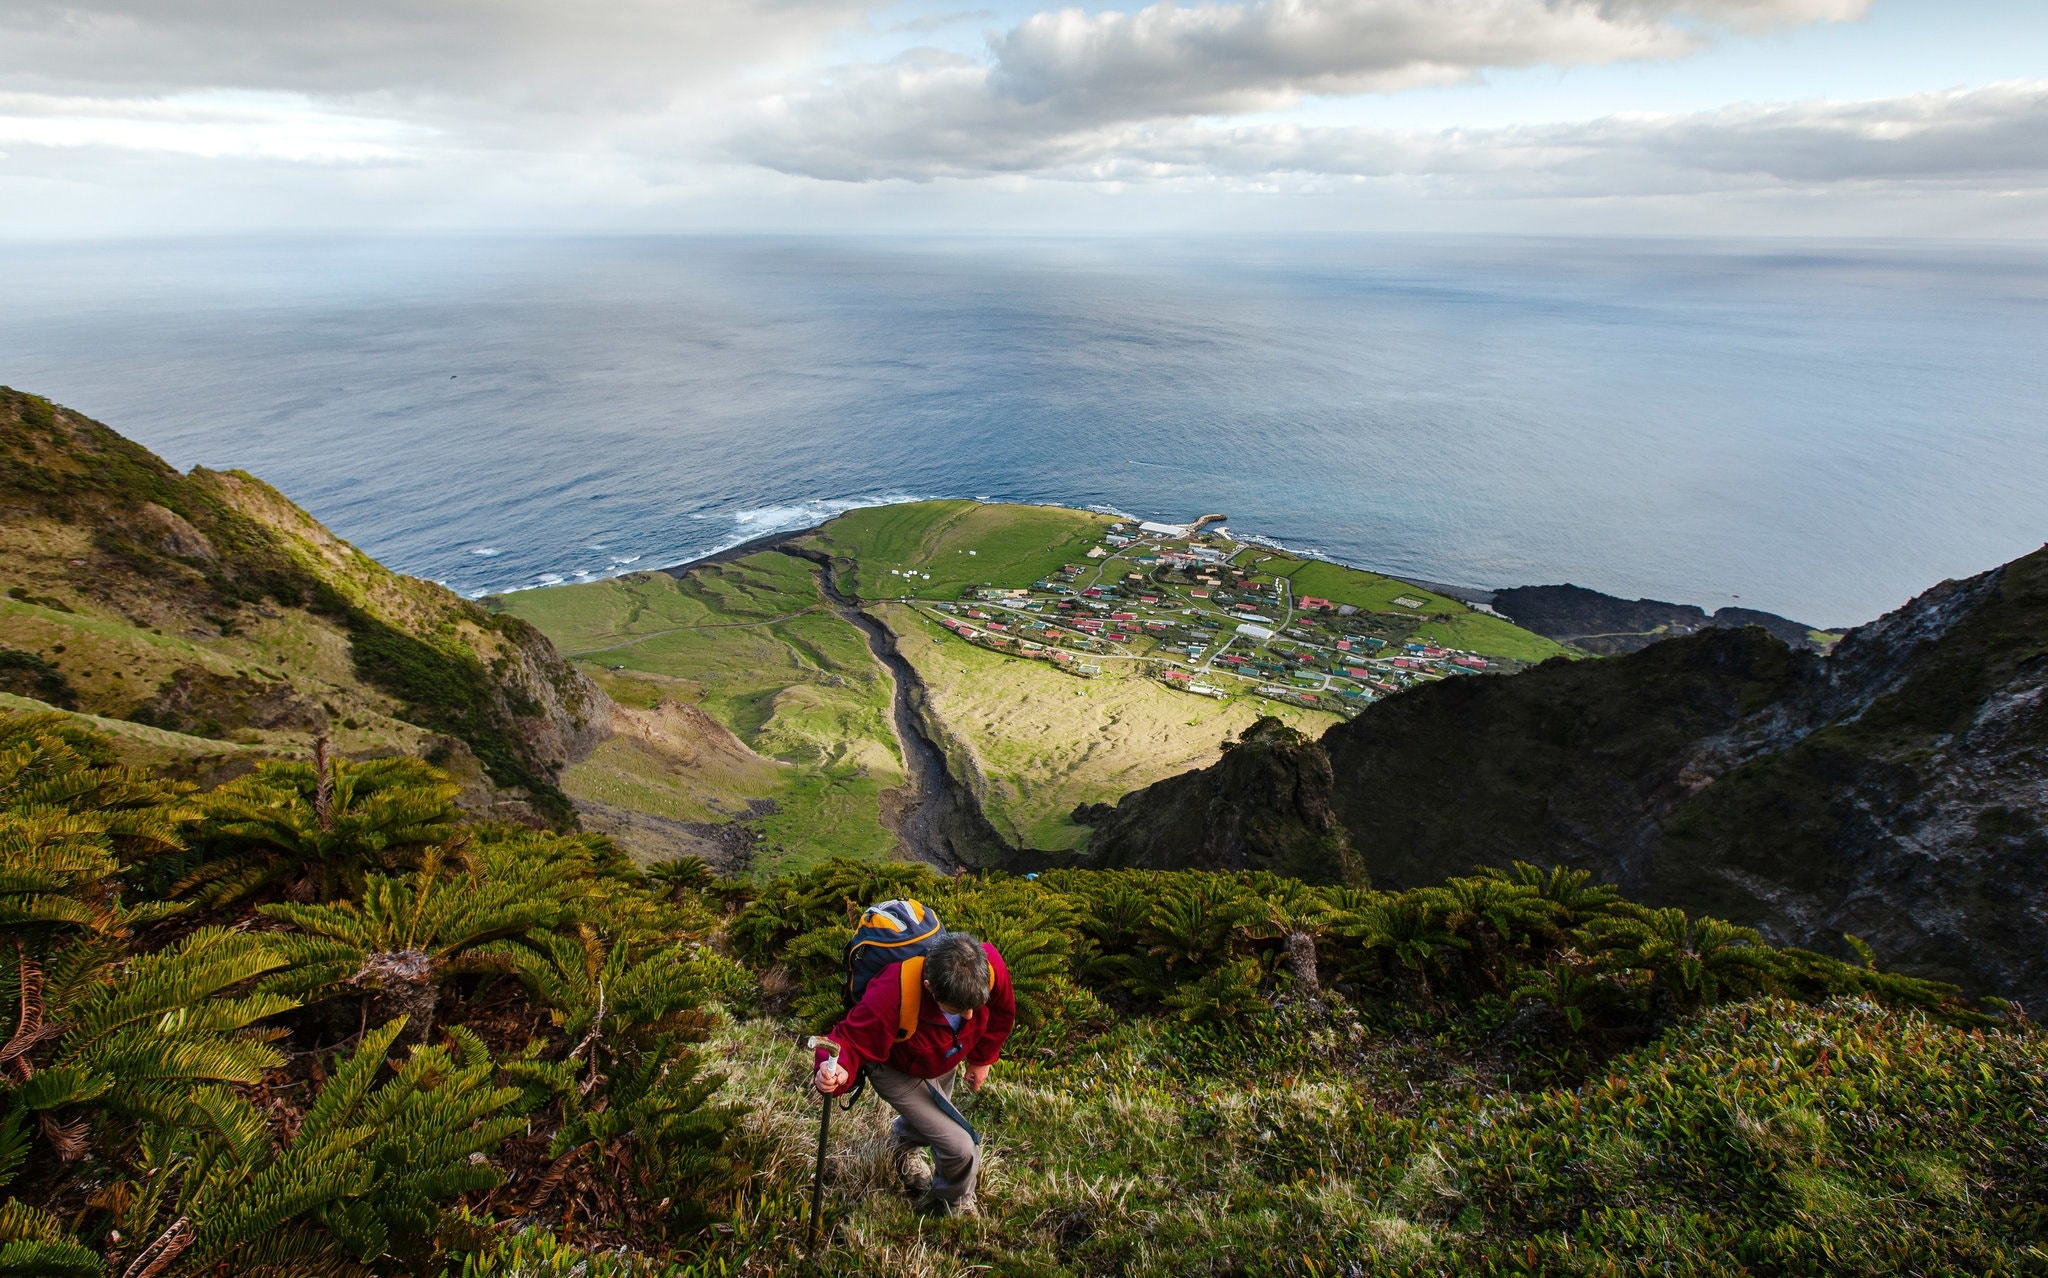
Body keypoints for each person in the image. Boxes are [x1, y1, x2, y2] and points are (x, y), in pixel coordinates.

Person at [813, 931, 1015, 1216]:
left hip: (941, 1059)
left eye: (974, 1006)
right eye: (958, 1009)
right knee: (961, 1148)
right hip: (897, 1071)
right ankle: (954, 1202)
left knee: (926, 1121)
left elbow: (1003, 1013)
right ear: (929, 987)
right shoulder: (892, 991)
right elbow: (848, 1040)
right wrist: (835, 1071)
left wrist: (981, 1059)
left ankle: (901, 1151)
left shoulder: (987, 966)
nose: (969, 1016)